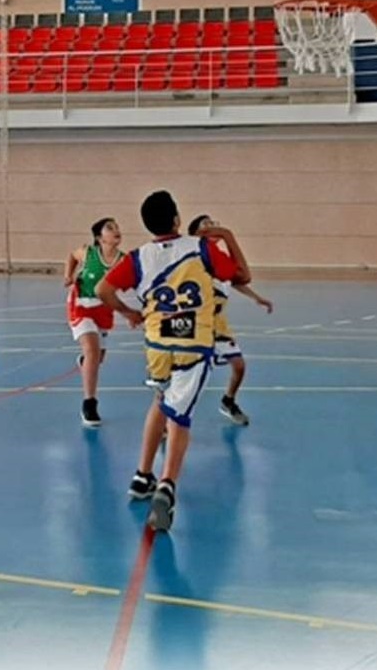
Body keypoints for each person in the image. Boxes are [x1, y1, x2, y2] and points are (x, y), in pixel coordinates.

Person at [99, 191, 250, 531]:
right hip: (191, 345)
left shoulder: (139, 257)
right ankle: (167, 486)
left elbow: (103, 290)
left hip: (157, 346)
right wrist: (227, 236)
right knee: (180, 417)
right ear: (177, 219)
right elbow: (242, 275)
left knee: (161, 401)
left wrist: (128, 313)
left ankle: (143, 475)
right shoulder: (201, 248)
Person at [188, 214, 274, 426]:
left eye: (213, 223)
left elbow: (235, 280)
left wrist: (256, 297)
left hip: (217, 323)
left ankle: (228, 401)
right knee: (188, 376)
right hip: (197, 323)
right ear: (196, 233)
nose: (212, 227)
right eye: (206, 224)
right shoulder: (194, 256)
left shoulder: (219, 257)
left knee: (239, 365)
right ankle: (167, 418)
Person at [63, 217, 124, 427]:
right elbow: (72, 256)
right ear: (100, 237)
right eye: (110, 228)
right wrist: (68, 276)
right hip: (81, 305)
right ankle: (89, 403)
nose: (116, 230)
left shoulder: (123, 260)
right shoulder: (88, 253)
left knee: (98, 357)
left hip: (103, 309)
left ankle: (86, 362)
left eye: (117, 227)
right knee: (92, 349)